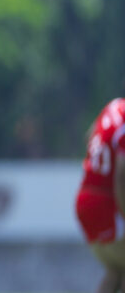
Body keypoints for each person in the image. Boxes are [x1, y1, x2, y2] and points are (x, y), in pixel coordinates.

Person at [75, 96, 125, 292]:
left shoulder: (114, 106)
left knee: (116, 270)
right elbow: (121, 176)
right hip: (105, 204)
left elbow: (89, 137)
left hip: (84, 199)